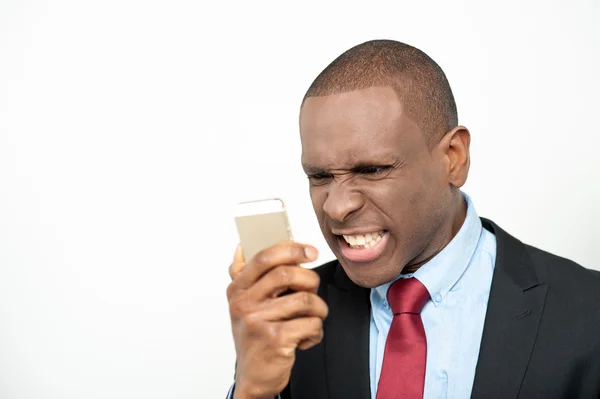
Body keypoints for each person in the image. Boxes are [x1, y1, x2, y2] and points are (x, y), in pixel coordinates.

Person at [225, 40, 600, 399]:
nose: (336, 208)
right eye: (320, 176)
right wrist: (252, 391)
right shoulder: (288, 317)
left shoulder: (588, 311)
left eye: (372, 169)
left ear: (453, 158)